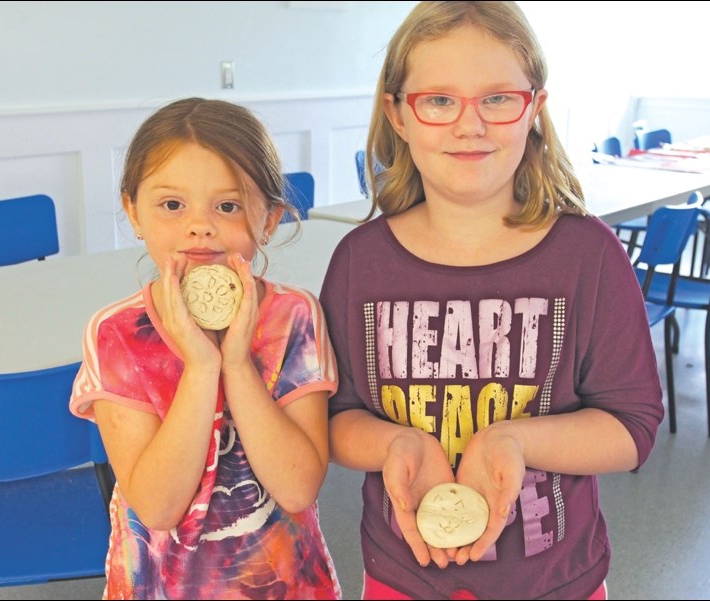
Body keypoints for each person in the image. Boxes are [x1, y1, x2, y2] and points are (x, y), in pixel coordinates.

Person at [319, 2, 664, 600]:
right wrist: (399, 443)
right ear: (398, 113)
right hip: (403, 577)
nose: (468, 124)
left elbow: (631, 427)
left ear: (534, 109)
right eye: (439, 99)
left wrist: (515, 441)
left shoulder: (588, 256)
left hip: (556, 582)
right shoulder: (359, 263)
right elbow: (336, 417)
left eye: (498, 98)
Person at [70, 97, 341, 600]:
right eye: (172, 205)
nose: (200, 225)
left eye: (228, 205)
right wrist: (201, 367)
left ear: (269, 219)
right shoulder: (117, 334)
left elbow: (299, 487)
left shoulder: (293, 317)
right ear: (133, 212)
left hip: (286, 585)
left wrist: (236, 363)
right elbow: (156, 506)